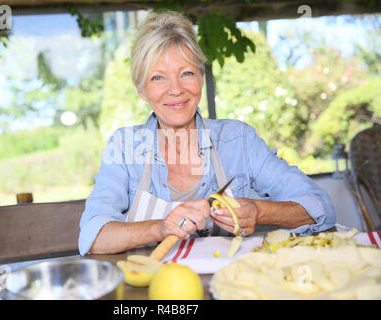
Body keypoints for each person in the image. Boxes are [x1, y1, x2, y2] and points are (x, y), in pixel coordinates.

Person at [78, 10, 336, 255]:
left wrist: (259, 211)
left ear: (201, 78)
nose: (176, 89)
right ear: (141, 89)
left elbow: (320, 207)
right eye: (158, 77)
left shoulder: (239, 140)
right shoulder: (124, 147)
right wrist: (160, 227)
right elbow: (92, 237)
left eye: (187, 73)